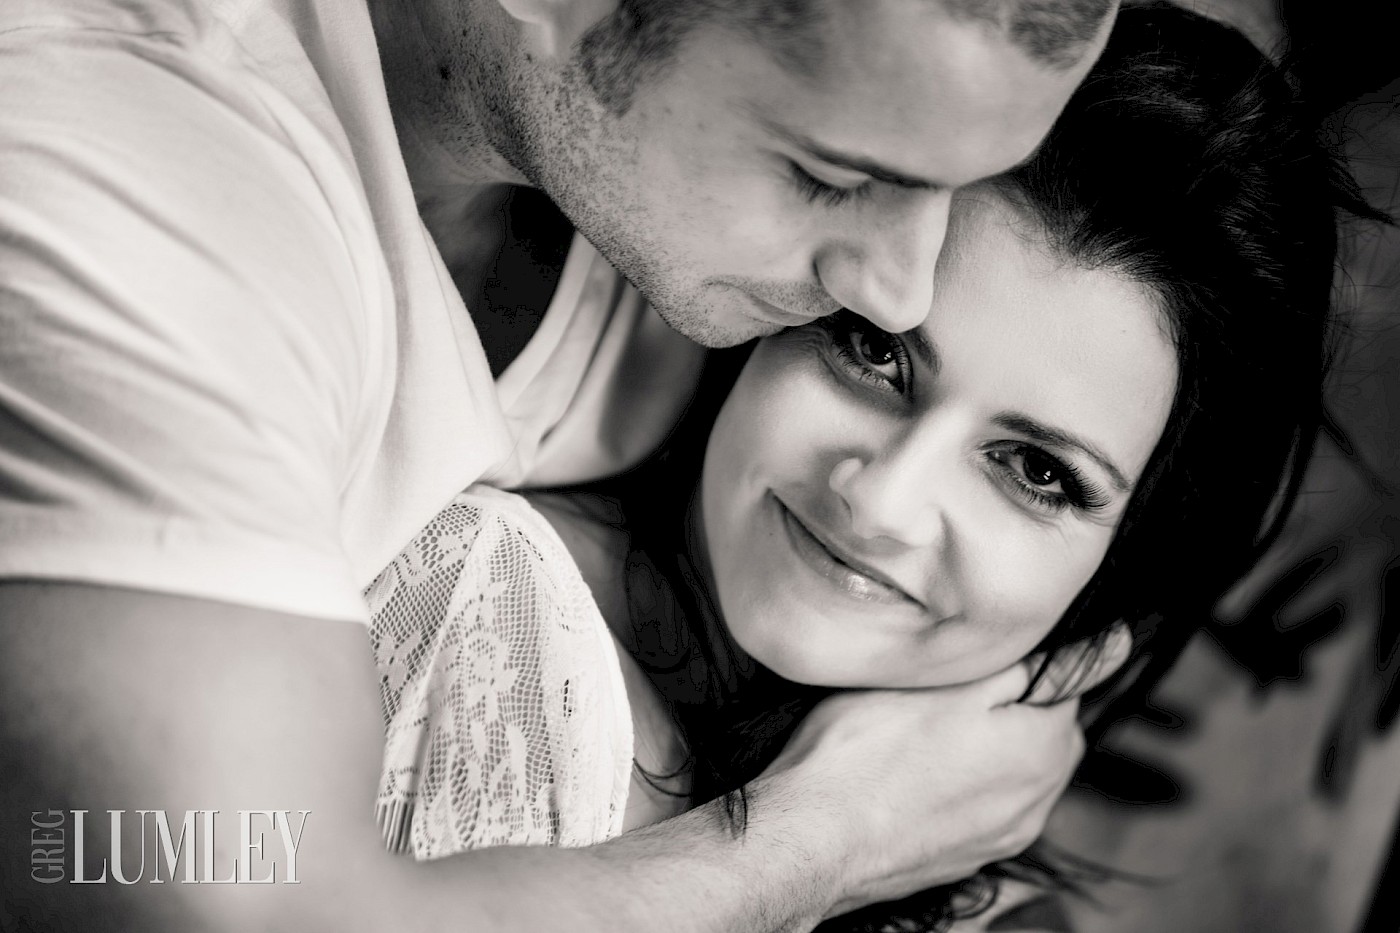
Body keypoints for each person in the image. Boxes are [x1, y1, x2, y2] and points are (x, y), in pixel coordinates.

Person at [0, 0, 1124, 930]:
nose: (900, 286)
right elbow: (188, 893)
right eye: (831, 176)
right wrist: (833, 831)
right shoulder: (127, 195)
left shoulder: (640, 157)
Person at [365, 3, 1376, 930]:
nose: (882, 497)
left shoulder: (983, 878)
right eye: (872, 351)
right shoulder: (482, 619)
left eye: (1033, 471)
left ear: (1121, 582)